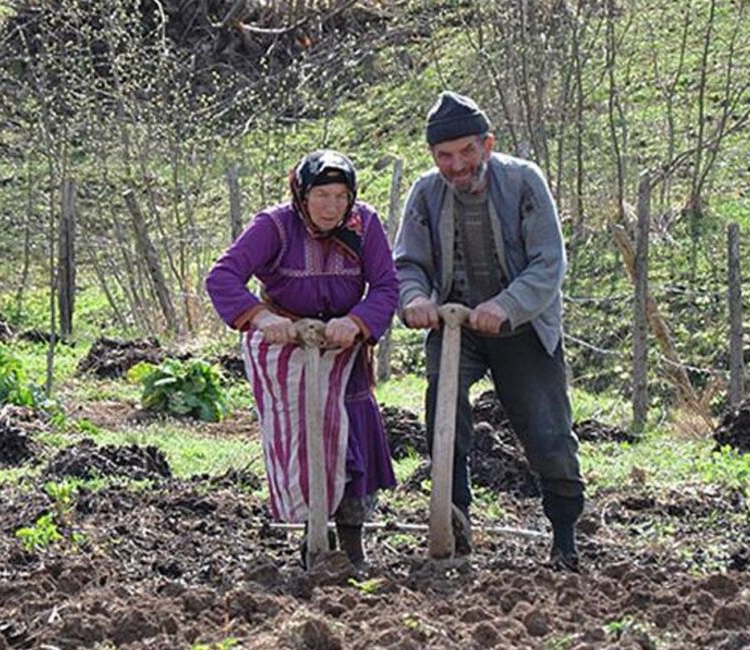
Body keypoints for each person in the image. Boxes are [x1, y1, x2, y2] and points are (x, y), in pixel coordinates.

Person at [393, 91, 584, 571]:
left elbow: (548, 263)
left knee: (547, 431)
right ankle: (453, 520)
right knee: (443, 414)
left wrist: (506, 304)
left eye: (466, 152)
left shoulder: (523, 182)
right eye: (444, 156)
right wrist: (415, 299)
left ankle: (564, 538)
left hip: (521, 325)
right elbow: (408, 263)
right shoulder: (425, 193)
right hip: (455, 325)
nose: (456, 165)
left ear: (487, 144)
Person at [206, 149, 398, 568]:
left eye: (340, 196)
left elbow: (386, 286)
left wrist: (357, 321)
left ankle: (352, 544)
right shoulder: (274, 226)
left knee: (353, 440)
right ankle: (315, 534)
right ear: (302, 195)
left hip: (344, 349)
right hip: (288, 345)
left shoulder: (365, 225)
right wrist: (261, 316)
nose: (332, 207)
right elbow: (222, 276)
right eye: (322, 195)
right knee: (305, 440)